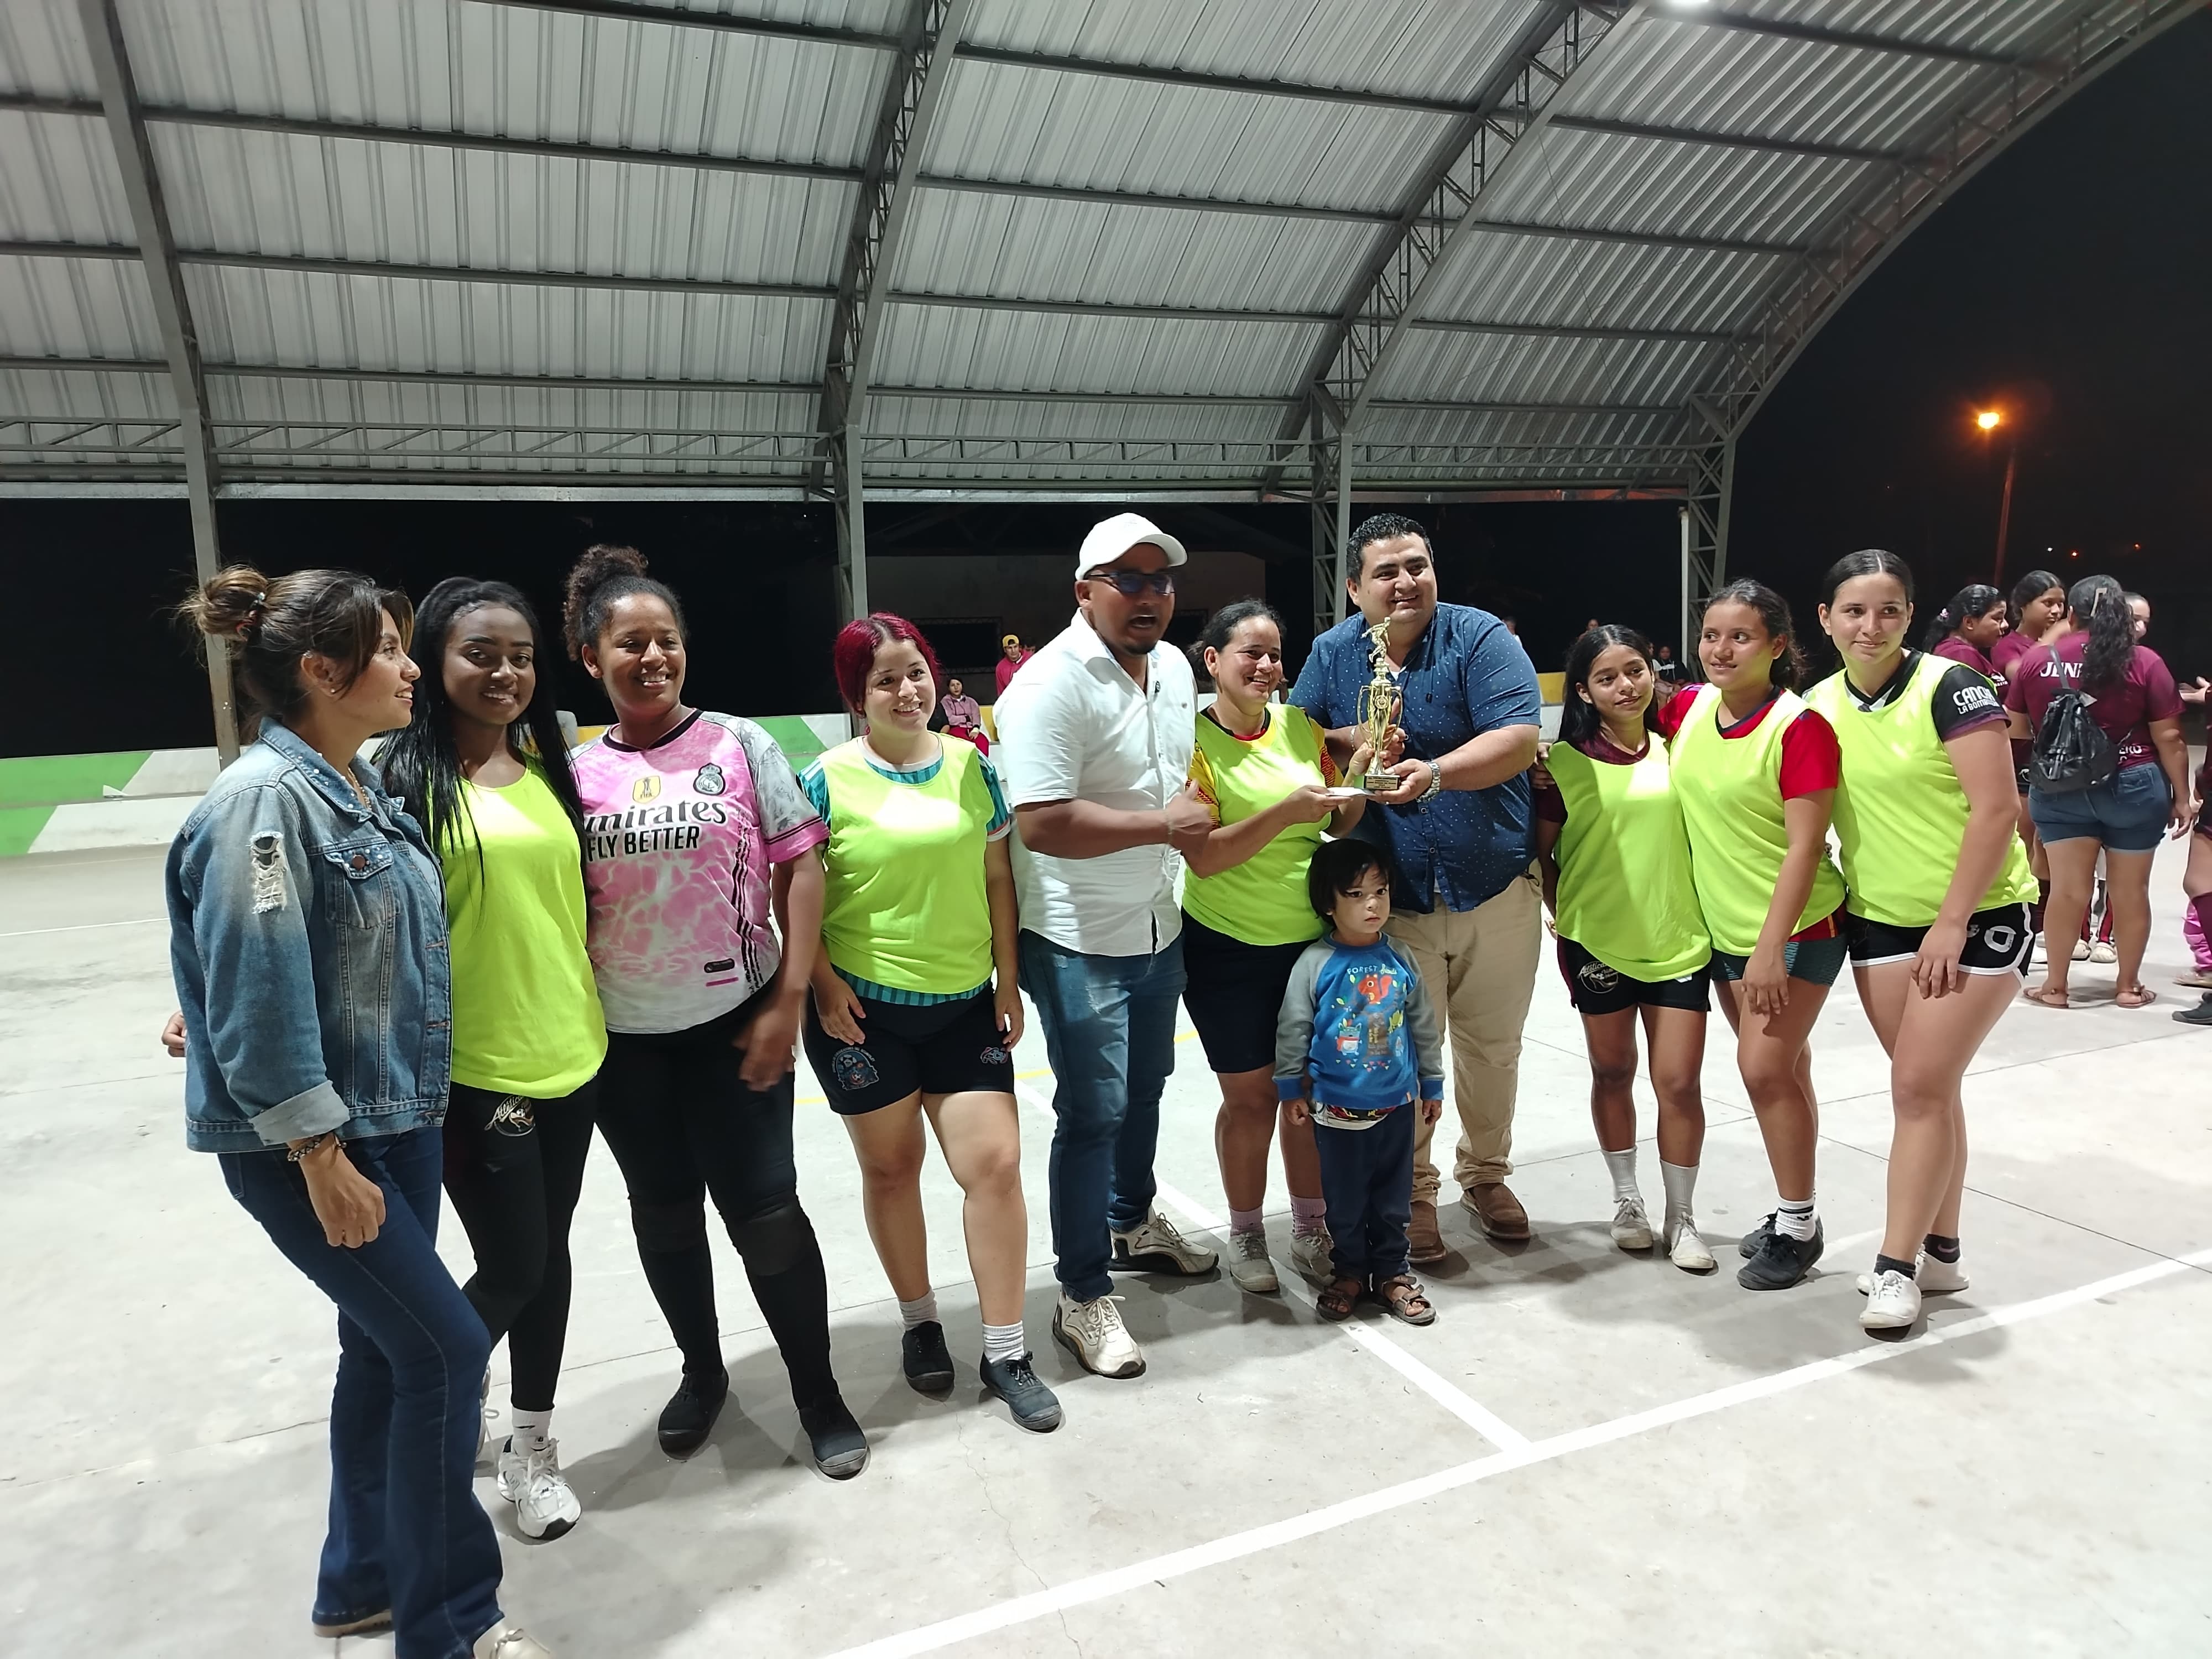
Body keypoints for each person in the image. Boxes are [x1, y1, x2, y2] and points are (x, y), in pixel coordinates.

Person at [167, 566, 552, 1659]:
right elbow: (255, 987)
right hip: (322, 1143)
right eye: (386, 649)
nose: (408, 666)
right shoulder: (261, 803)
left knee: (385, 1354)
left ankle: (361, 1583)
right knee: (447, 1353)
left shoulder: (357, 786)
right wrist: (316, 1149)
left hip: (391, 1118)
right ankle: (452, 1625)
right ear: (321, 672)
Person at [562, 545, 868, 1477]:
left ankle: (817, 1392)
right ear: (591, 658)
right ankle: (703, 1374)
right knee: (664, 1216)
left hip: (737, 1023)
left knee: (767, 1215)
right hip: (624, 1044)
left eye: (667, 640)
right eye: (630, 644)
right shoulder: (573, 773)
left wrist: (789, 996)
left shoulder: (739, 744)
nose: (652, 657)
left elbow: (800, 865)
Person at [377, 578, 605, 1542]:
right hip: (474, 1070)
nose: (505, 672)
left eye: (520, 656)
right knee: (513, 1265)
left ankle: (532, 1447)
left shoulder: (550, 768)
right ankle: (432, 1402)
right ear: (434, 661)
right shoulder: (401, 781)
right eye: (480, 654)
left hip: (574, 1053)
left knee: (547, 1258)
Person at [799, 614, 1060, 1432]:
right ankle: (919, 1323)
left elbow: (997, 875)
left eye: (915, 672)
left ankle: (1007, 1351)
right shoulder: (825, 779)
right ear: (857, 695)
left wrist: (1008, 980)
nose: (907, 690)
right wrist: (823, 984)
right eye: (885, 679)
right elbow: (792, 895)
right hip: (862, 1014)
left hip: (964, 1006)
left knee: (996, 1167)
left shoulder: (970, 765)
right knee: (892, 1171)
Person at [995, 512, 1215, 1380]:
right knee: (1094, 1112)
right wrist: (1165, 825)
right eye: (1128, 579)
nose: (1149, 595)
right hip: (1077, 936)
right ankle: (1081, 1292)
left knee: (1148, 1086)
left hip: (1159, 919)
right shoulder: (1047, 685)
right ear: (1085, 591)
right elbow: (1043, 824)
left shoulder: (1173, 669)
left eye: (1161, 580)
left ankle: (1130, 1220)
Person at [1291, 514, 1542, 1259]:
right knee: (1401, 1055)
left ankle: (1486, 1175)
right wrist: (1356, 742)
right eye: (1386, 572)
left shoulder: (1479, 638)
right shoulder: (1333, 655)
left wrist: (1432, 774)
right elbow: (1298, 737)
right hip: (1390, 901)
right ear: (1354, 587)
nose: (1405, 582)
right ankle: (1415, 1192)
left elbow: (1518, 738)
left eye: (1417, 566)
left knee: (1493, 1051)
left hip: (1493, 887)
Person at [1807, 551, 2038, 1333]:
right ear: (1826, 619)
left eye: (1889, 611)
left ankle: (1895, 1267)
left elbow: (1997, 811)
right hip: (1880, 920)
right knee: (1931, 1091)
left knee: (1915, 1088)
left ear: (1910, 616)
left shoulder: (1951, 685)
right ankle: (1942, 1254)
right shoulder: (1817, 705)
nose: (1870, 627)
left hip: (1978, 917)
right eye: (1854, 611)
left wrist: (1950, 921)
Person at [1181, 599, 1374, 1293]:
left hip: (1310, 951)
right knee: (1251, 1101)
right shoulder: (1189, 743)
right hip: (1226, 950)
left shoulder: (1299, 727)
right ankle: (1245, 1233)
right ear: (1213, 661)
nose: (1266, 666)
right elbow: (1204, 856)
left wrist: (1358, 778)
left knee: (1309, 1095)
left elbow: (1337, 823)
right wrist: (1285, 811)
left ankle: (1310, 1228)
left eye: (1274, 655)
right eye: (1250, 653)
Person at [1661, 581, 1847, 1292]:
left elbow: (1805, 848)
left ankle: (1798, 1226)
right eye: (1711, 635)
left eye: (1740, 637)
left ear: (1776, 646)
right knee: (1786, 1070)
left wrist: (1770, 948)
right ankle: (1795, 1211)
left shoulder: (1799, 728)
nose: (1721, 649)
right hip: (1725, 933)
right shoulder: (1689, 708)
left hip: (1797, 929)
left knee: (1764, 1070)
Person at [1535, 627, 1715, 1273]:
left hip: (1679, 941)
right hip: (1598, 944)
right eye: (1606, 678)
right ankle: (1627, 1201)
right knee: (1612, 1073)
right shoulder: (1560, 765)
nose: (1626, 686)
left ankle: (1682, 1217)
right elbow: (1543, 856)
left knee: (1679, 1083)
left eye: (1635, 670)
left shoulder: (1682, 749)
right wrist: (1563, 914)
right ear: (1583, 691)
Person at [1276, 838, 1445, 1324]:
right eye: (1355, 894)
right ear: (1328, 904)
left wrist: (1432, 1083)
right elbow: (1294, 1027)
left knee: (1394, 1199)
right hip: (1336, 1108)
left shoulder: (1401, 957)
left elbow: (1423, 1024)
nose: (1373, 904)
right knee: (1346, 1201)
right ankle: (1349, 1271)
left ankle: (1392, 1272)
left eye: (1380, 891)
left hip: (1397, 1104)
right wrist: (1290, 1087)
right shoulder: (1315, 963)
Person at [2004, 573, 2192, 1009]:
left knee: (2067, 891)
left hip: (2060, 787)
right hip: (2134, 783)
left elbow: (2015, 726)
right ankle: (2127, 986)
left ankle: (2055, 987)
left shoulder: (2038, 660)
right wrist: (2183, 796)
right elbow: (2170, 737)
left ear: (2071, 614)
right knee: (2130, 892)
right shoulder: (2144, 661)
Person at [1989, 570, 2068, 949]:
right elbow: (2020, 675)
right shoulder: (2010, 645)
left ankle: (2044, 921)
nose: (2056, 611)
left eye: (2061, 604)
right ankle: (2020, 917)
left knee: (2050, 846)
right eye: (2047, 603)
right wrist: (2054, 641)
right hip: (2018, 755)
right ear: (2022, 606)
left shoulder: (2068, 646)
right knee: (2022, 839)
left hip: (2058, 757)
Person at [1923, 584, 2007, 679]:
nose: (2006, 625)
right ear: (1969, 622)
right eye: (1998, 618)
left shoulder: (1962, 652)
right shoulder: (1960, 655)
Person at [938, 675, 989, 755]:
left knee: (983, 742)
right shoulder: (945, 702)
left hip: (971, 729)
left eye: (958, 684)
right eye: (953, 685)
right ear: (949, 688)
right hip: (956, 729)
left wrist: (975, 730)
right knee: (965, 743)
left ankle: (981, 763)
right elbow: (950, 719)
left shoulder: (971, 701)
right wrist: (967, 718)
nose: (956, 687)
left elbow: (976, 716)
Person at [994, 633, 1034, 698]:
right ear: (1005, 650)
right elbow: (1001, 693)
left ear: (1019, 647)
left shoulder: (1031, 659)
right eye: (1010, 648)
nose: (1013, 651)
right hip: (1013, 700)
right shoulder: (1001, 668)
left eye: (1015, 647)